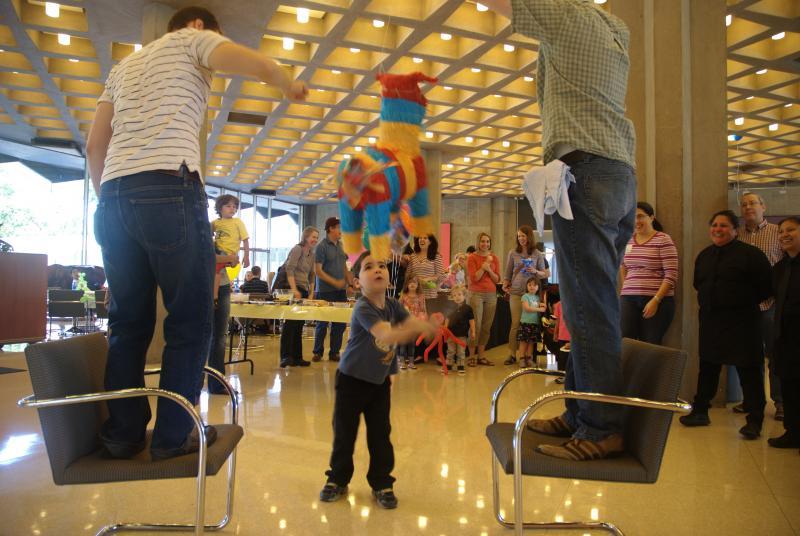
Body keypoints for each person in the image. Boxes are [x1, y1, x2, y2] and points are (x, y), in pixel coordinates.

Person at [85, 5, 308, 460]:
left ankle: (122, 434)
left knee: (127, 324)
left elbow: (94, 145)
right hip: (169, 186)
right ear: (200, 26)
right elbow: (247, 60)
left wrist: (109, 198)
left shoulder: (122, 66)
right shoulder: (190, 38)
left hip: (112, 197)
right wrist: (284, 80)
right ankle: (173, 437)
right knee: (189, 321)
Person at [480, 0, 637, 461]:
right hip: (614, 173)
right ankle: (578, 411)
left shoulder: (569, 17)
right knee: (591, 301)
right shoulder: (616, 28)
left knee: (590, 308)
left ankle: (602, 425)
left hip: (585, 171)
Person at [319, 251, 434, 509]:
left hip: (379, 382)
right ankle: (337, 479)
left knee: (381, 435)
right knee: (344, 433)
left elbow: (411, 320)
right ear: (358, 281)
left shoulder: (393, 304)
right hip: (350, 380)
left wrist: (424, 325)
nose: (377, 269)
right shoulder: (363, 306)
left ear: (388, 276)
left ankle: (382, 482)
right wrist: (416, 330)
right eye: (369, 267)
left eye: (381, 265)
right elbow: (386, 334)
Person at [680, 211, 773, 440]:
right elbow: (697, 284)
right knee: (708, 367)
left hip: (743, 322)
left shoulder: (752, 255)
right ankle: (700, 411)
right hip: (711, 320)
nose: (717, 229)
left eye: (723, 225)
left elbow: (766, 287)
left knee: (748, 371)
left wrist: (739, 302)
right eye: (714, 225)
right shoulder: (704, 255)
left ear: (734, 229)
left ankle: (754, 420)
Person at [736, 192, 784, 420]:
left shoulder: (778, 233)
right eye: (744, 205)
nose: (748, 207)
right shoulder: (737, 237)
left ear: (763, 206)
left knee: (775, 355)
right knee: (748, 356)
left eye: (753, 203)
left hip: (772, 305)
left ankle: (781, 402)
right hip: (745, 308)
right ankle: (752, 400)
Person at [620, 202, 679, 345]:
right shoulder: (628, 240)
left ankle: (649, 369)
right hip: (629, 299)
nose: (636, 221)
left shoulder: (663, 239)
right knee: (626, 341)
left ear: (651, 218)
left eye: (640, 216)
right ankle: (630, 369)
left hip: (657, 300)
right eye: (632, 217)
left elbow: (671, 274)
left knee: (650, 344)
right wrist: (625, 288)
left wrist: (656, 300)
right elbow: (623, 266)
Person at [768, 216, 800, 450]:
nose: (784, 235)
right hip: (786, 337)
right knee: (789, 385)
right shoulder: (781, 267)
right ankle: (793, 432)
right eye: (781, 232)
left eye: (791, 230)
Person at [502, 225, 548, 366]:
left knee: (531, 324)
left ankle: (528, 356)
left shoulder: (537, 254)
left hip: (532, 294)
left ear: (529, 236)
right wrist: (505, 284)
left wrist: (535, 270)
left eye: (523, 235)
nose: (521, 238)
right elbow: (508, 273)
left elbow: (546, 273)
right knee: (516, 324)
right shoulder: (512, 253)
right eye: (519, 236)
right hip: (516, 293)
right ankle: (512, 354)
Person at [312, 217, 352, 363]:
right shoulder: (321, 247)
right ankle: (317, 352)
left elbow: (344, 267)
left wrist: (351, 283)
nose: (342, 231)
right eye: (340, 227)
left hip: (340, 291)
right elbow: (318, 271)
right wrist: (334, 282)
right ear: (331, 229)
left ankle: (334, 352)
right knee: (322, 322)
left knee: (339, 322)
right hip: (324, 291)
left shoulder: (342, 246)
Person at [279, 226, 319, 368]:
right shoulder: (298, 249)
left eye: (316, 237)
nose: (315, 239)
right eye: (313, 237)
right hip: (293, 288)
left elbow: (312, 275)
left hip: (304, 289)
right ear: (306, 237)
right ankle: (285, 356)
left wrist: (311, 292)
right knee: (290, 323)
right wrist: (294, 288)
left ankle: (297, 357)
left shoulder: (312, 254)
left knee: (299, 324)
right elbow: (289, 268)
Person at [205, 252, 238, 395]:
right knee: (202, 336)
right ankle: (194, 386)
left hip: (223, 285)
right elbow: (206, 255)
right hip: (204, 283)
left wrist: (231, 260)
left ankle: (217, 383)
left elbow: (230, 261)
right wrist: (229, 258)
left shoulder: (222, 241)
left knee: (220, 337)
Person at [467, 232, 500, 367]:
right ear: (478, 242)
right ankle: (471, 357)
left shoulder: (495, 258)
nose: (485, 244)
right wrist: (483, 266)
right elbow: (474, 278)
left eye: (487, 241)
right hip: (476, 294)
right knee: (476, 326)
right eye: (482, 241)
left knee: (486, 326)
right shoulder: (472, 258)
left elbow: (497, 279)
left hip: (491, 295)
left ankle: (481, 356)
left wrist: (490, 270)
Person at [211, 194, 249, 303]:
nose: (232, 208)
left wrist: (246, 256)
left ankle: (214, 296)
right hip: (218, 250)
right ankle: (215, 294)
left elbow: (245, 239)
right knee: (216, 270)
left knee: (217, 269)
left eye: (234, 206)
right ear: (220, 208)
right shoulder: (216, 222)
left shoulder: (237, 221)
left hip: (228, 252)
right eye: (228, 206)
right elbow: (207, 231)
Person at [404, 234, 445, 305]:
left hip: (430, 296)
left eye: (425, 238)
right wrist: (414, 279)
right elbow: (407, 275)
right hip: (414, 297)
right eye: (420, 238)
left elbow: (441, 276)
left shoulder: (436, 256)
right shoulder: (412, 256)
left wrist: (428, 279)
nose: (422, 239)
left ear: (430, 242)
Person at [445, 285, 475, 374]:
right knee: (451, 350)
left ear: (464, 296)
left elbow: (471, 320)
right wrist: (445, 329)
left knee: (461, 351)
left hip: (462, 335)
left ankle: (461, 365)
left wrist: (473, 331)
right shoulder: (451, 308)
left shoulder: (468, 308)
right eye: (454, 295)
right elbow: (447, 319)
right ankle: (449, 364)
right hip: (451, 334)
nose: (457, 297)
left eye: (459, 294)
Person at [398, 276, 426, 370]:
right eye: (410, 282)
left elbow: (423, 310)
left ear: (418, 285)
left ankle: (411, 362)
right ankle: (401, 361)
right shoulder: (403, 295)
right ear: (406, 285)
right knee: (402, 343)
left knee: (411, 344)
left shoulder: (421, 296)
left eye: (414, 282)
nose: (412, 284)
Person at [517, 277, 545, 368]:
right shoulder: (525, 296)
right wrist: (539, 309)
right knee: (523, 342)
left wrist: (542, 305)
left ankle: (529, 359)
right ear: (527, 286)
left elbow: (543, 307)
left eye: (534, 285)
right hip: (525, 323)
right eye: (530, 285)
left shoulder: (537, 297)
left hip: (534, 323)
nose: (532, 287)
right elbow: (527, 308)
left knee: (531, 342)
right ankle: (521, 359)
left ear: (538, 287)